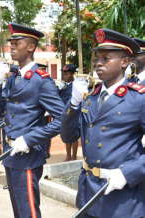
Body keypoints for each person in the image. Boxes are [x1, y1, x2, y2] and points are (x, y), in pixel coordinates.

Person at [61, 28, 145, 217]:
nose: (99, 63)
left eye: (106, 58)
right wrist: (73, 103)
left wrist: (129, 173)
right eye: (97, 59)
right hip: (89, 194)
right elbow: (68, 136)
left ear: (124, 62)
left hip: (121, 199)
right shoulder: (89, 96)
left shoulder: (138, 98)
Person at [0, 23, 65, 218]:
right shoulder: (13, 78)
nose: (11, 47)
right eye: (10, 43)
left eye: (16, 43)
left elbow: (62, 119)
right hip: (11, 154)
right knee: (18, 210)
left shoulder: (41, 80)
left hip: (28, 155)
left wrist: (30, 139)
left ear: (31, 47)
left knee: (28, 211)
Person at [59, 64, 78, 161]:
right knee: (66, 133)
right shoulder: (66, 86)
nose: (65, 76)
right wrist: (60, 89)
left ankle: (73, 157)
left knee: (73, 135)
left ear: (72, 74)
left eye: (67, 74)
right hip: (65, 113)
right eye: (65, 74)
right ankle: (68, 156)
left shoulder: (75, 85)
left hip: (73, 113)